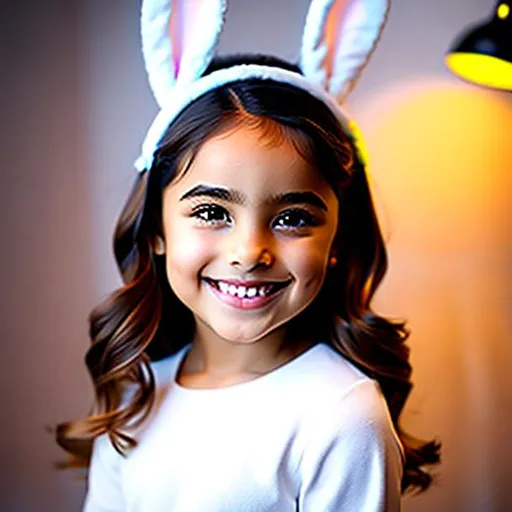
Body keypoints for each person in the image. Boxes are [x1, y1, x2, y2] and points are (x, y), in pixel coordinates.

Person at [57, 1, 440, 510]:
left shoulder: (342, 417)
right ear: (156, 228)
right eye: (213, 212)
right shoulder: (137, 400)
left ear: (337, 240)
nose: (249, 252)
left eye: (293, 218)